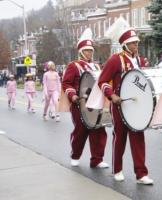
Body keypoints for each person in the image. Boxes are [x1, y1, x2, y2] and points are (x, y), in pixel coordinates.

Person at [98, 17, 153, 185]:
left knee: (138, 138)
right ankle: (117, 170)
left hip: (135, 105)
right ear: (125, 44)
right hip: (119, 105)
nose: (136, 45)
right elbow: (102, 81)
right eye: (133, 43)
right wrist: (111, 96)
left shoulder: (138, 60)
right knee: (120, 137)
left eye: (137, 42)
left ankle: (141, 174)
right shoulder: (115, 59)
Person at [61, 28, 109, 168]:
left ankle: (97, 159)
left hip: (96, 103)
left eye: (91, 50)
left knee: (99, 130)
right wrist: (73, 95)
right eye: (86, 50)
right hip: (79, 103)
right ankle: (75, 155)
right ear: (81, 51)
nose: (89, 53)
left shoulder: (96, 66)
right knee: (81, 131)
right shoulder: (73, 66)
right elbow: (66, 83)